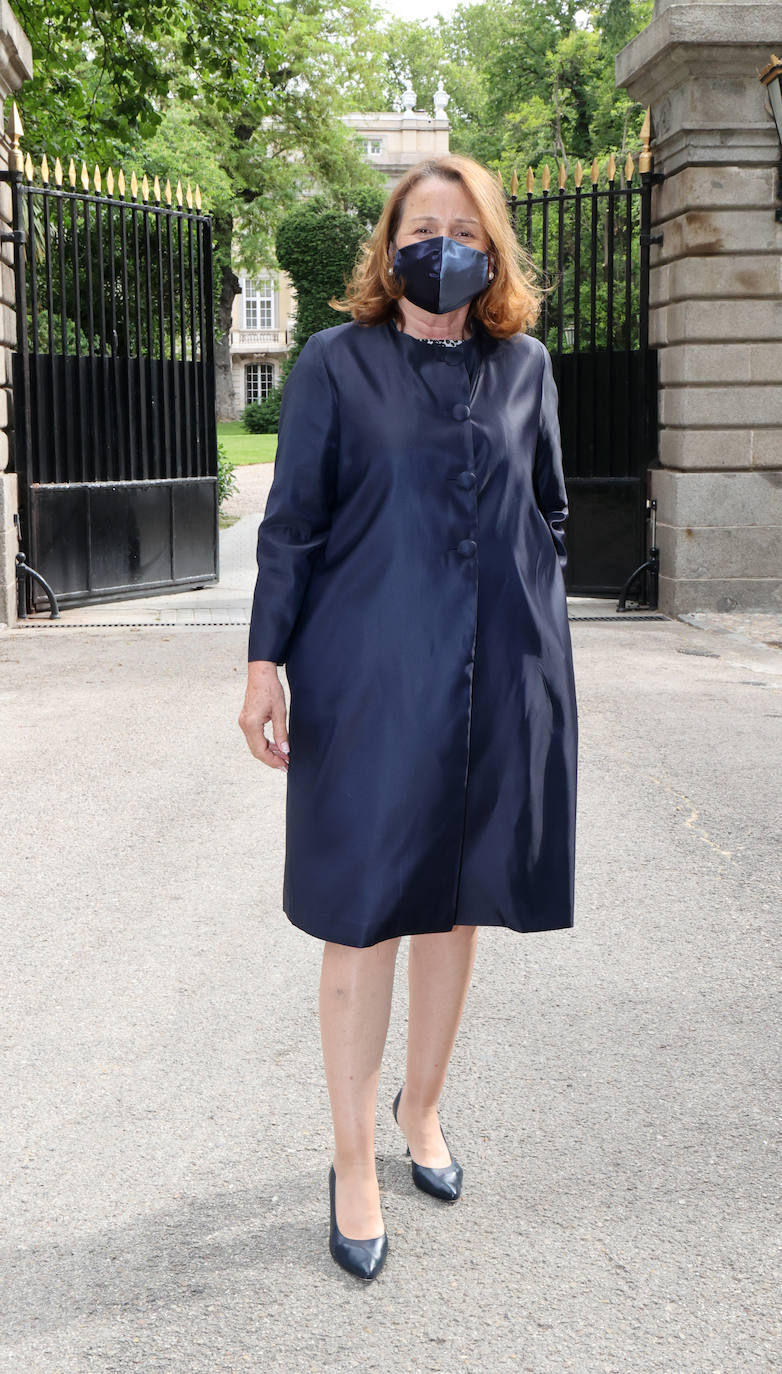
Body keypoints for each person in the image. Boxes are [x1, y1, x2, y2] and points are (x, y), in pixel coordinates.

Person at [239, 153, 578, 1283]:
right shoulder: (337, 364)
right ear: (388, 249)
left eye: (461, 225)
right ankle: (351, 1160)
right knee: (363, 911)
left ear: (491, 248)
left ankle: (419, 1107)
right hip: (369, 679)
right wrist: (263, 665)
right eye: (418, 225)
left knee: (456, 905)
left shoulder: (525, 366)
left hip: (496, 681)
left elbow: (549, 515)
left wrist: (532, 652)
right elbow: (290, 525)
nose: (441, 242)